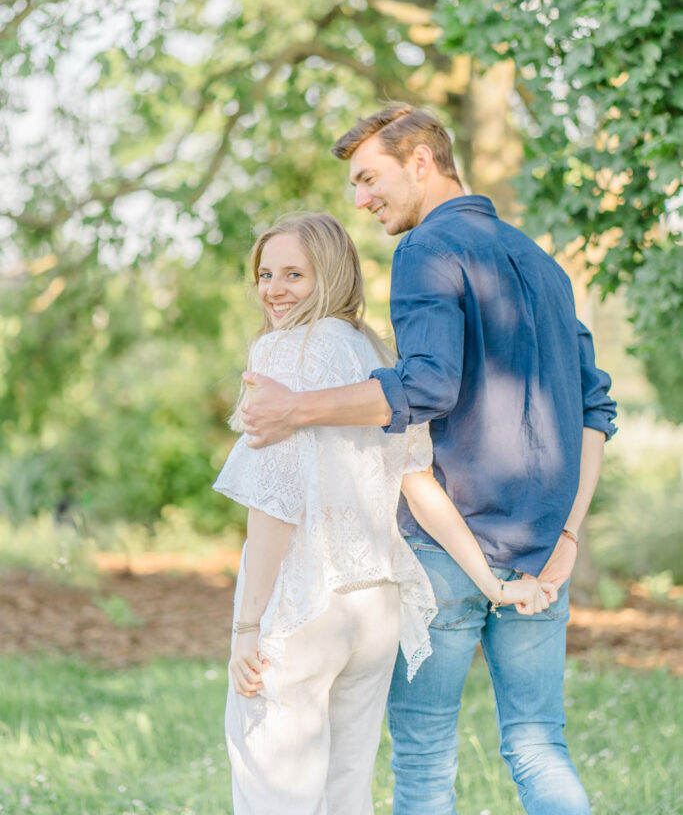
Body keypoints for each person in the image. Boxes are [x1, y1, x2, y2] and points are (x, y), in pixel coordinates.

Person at [241, 106, 618, 815]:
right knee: (539, 744)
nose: (361, 199)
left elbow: (426, 386)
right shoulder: (541, 263)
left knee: (422, 758)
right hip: (543, 557)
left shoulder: (424, 250)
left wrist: (297, 408)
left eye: (368, 178)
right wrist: (567, 534)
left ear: (420, 161)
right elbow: (594, 408)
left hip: (443, 551)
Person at [215, 211, 553, 815]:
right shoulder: (379, 359)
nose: (274, 290)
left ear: (331, 275)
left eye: (294, 274)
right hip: (374, 612)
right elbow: (419, 485)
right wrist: (493, 585)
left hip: (303, 606)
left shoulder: (280, 353)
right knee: (347, 791)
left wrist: (246, 629)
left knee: (273, 791)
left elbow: (274, 502)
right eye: (265, 274)